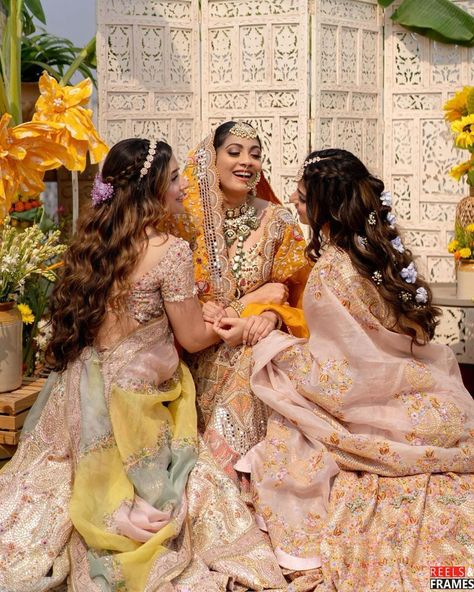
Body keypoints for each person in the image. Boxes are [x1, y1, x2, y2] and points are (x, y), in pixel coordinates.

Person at [0, 138, 286, 592]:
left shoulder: (93, 240)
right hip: (137, 404)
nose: (182, 187)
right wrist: (237, 314)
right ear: (151, 188)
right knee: (194, 486)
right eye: (174, 179)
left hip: (79, 393)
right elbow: (192, 336)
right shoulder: (168, 249)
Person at [216, 148, 474, 590]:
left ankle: (447, 580)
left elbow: (337, 376)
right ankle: (453, 579)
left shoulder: (331, 270)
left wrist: (261, 338)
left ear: (323, 203)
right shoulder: (372, 255)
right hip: (409, 386)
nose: (294, 204)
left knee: (273, 410)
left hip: (361, 397)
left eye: (300, 197)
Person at [174, 121, 311, 484]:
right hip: (196, 348)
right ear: (210, 159)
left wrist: (270, 314)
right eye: (234, 152)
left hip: (255, 345)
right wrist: (203, 305)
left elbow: (298, 293)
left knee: (260, 355)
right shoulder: (183, 222)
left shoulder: (278, 221)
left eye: (255, 154)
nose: (246, 162)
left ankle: (226, 476)